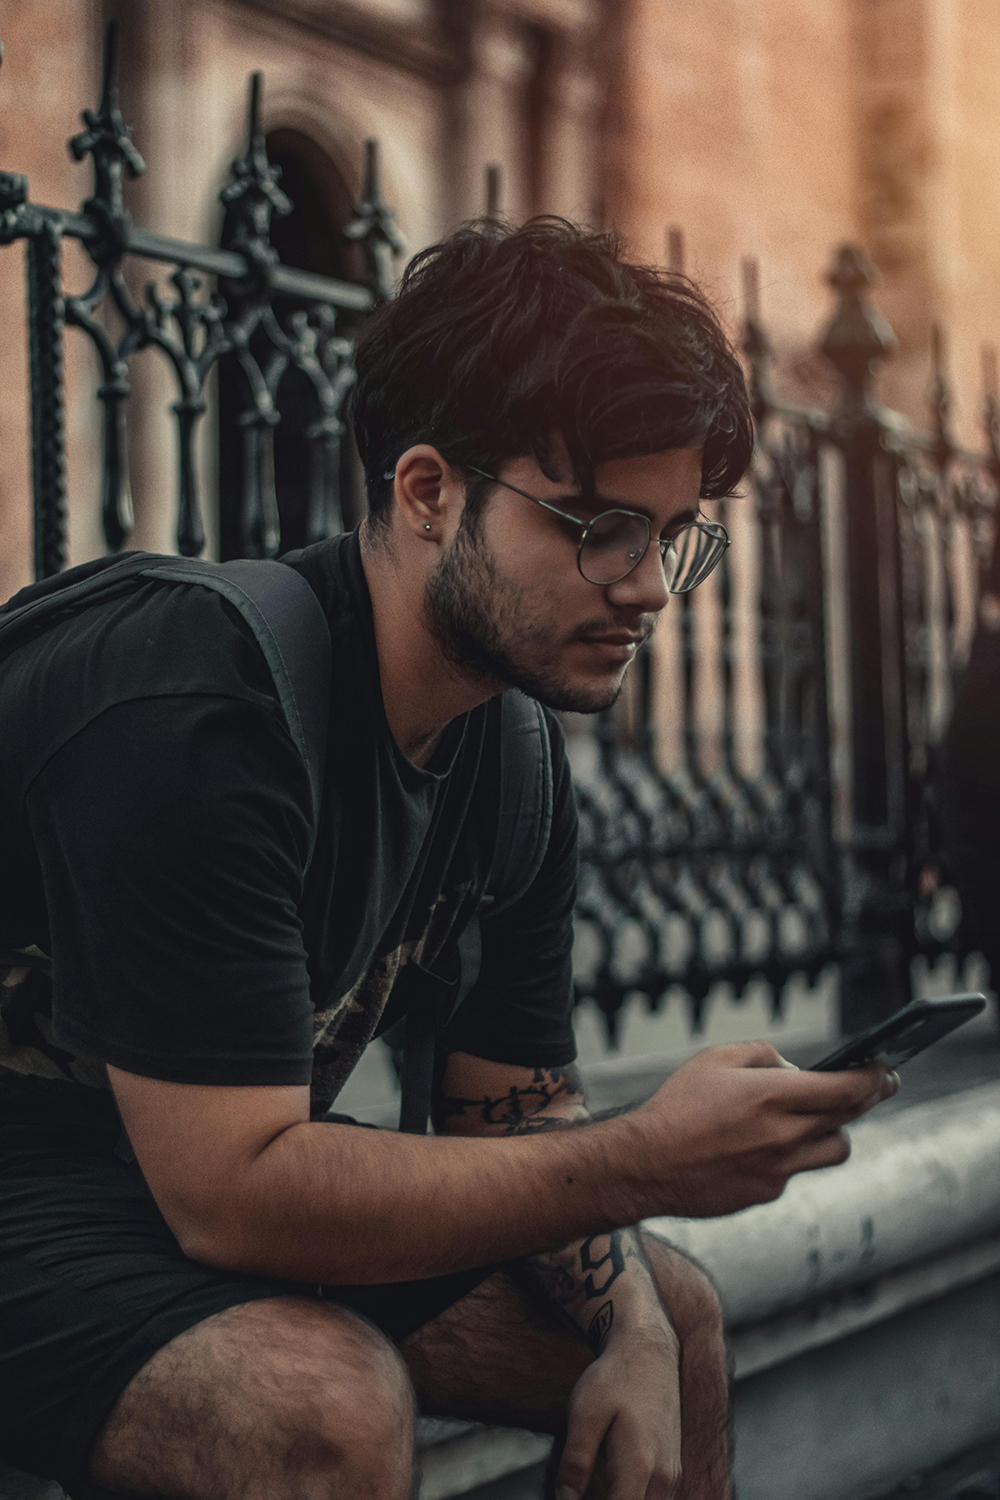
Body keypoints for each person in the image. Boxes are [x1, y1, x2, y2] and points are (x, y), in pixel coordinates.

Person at [0, 219, 896, 1500]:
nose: (649, 587)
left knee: (677, 1328)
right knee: (326, 1409)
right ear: (426, 493)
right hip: (78, 1179)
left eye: (670, 535)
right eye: (602, 526)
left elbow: (510, 1106)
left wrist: (632, 1329)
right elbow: (236, 1195)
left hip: (144, 1177)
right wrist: (648, 1157)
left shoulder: (512, 759)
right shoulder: (198, 696)